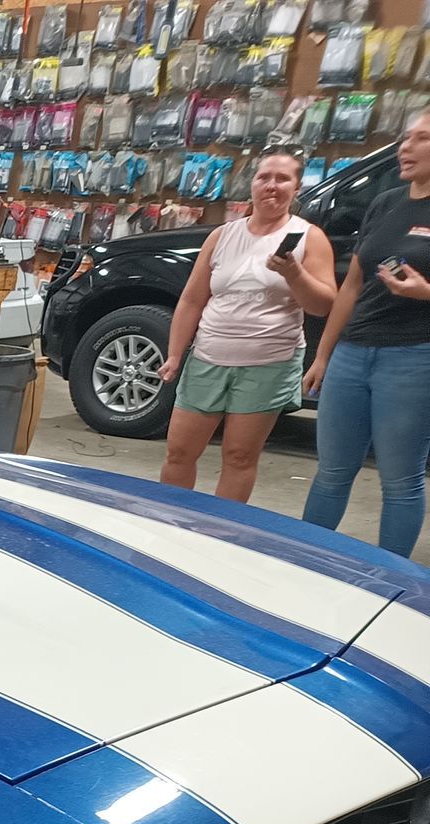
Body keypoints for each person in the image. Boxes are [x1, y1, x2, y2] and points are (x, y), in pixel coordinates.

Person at [156, 148, 337, 502]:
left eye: (282, 179)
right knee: (179, 452)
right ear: (251, 185)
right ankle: (169, 522)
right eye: (264, 177)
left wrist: (294, 273)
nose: (272, 186)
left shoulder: (308, 237)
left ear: (297, 188)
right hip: (208, 357)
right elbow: (193, 299)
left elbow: (322, 305)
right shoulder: (222, 236)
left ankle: (223, 535)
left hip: (267, 364)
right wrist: (175, 354)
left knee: (239, 457)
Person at [302, 108, 430, 556]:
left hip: (413, 358)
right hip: (352, 355)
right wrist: (323, 355)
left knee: (400, 480)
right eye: (405, 136)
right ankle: (303, 562)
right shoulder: (386, 203)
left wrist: (425, 292)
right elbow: (352, 285)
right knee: (332, 471)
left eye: (421, 138)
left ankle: (389, 583)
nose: (405, 147)